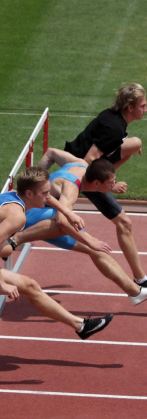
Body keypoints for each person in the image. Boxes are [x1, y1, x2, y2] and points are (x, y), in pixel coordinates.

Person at [0, 166, 114, 341]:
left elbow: (48, 198)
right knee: (30, 286)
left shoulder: (12, 194)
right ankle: (81, 326)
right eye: (44, 193)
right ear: (29, 194)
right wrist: (1, 284)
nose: (48, 196)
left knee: (7, 248)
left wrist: (68, 212)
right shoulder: (17, 217)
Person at [5, 148, 147, 306]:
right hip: (29, 217)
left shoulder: (80, 164)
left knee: (94, 248)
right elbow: (61, 221)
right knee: (88, 242)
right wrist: (89, 240)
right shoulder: (71, 189)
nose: (114, 185)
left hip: (37, 210)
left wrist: (34, 180)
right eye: (111, 183)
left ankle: (136, 292)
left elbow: (51, 152)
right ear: (97, 184)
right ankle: (14, 239)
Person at [64, 82, 147, 288]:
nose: (145, 109)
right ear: (130, 107)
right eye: (143, 106)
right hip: (81, 172)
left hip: (86, 165)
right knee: (124, 223)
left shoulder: (115, 119)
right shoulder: (114, 128)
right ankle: (141, 280)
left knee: (135, 143)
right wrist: (109, 185)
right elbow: (89, 160)